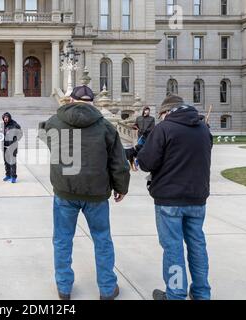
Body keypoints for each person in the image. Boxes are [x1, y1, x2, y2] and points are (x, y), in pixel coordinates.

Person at [39, 86, 130, 300]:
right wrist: (121, 187)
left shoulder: (54, 122)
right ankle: (107, 289)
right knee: (102, 240)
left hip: (65, 190)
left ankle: (64, 288)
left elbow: (45, 137)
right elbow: (119, 163)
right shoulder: (106, 127)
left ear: (71, 100)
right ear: (93, 102)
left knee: (62, 240)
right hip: (96, 193)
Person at [137, 94, 213, 300]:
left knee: (173, 248)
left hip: (170, 199)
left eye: (161, 114)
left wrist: (141, 151)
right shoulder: (203, 128)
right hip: (197, 198)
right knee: (197, 245)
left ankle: (176, 294)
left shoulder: (164, 128)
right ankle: (201, 293)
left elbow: (146, 162)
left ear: (166, 112)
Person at [1, 112, 23, 184]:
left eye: (7, 117)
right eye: (4, 118)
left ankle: (13, 177)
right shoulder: (3, 125)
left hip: (12, 146)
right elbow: (0, 133)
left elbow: (20, 133)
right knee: (6, 162)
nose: (5, 119)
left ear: (9, 118)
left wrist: (16, 139)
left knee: (12, 162)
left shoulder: (14, 124)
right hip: (5, 146)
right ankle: (8, 175)